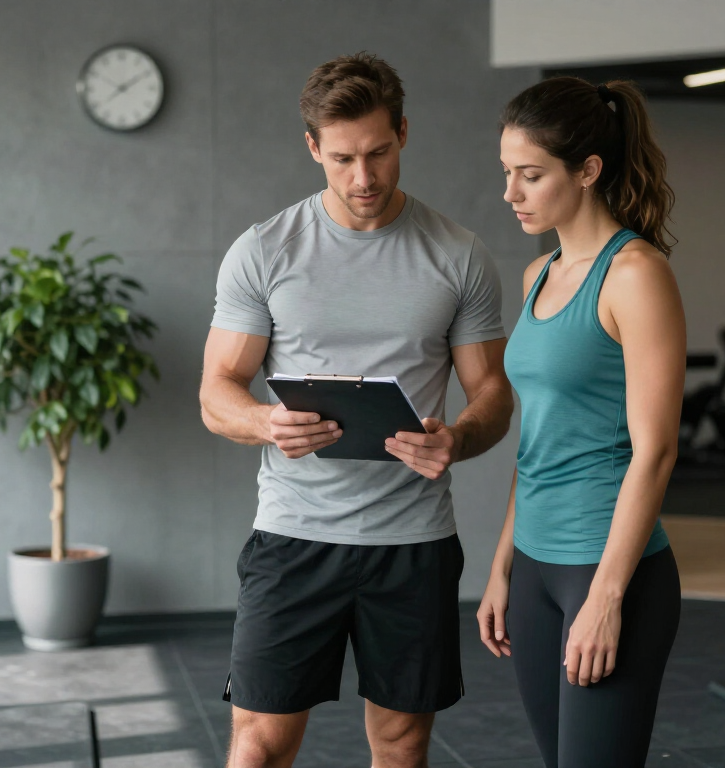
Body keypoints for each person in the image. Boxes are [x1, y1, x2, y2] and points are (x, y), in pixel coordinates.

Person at [199, 52, 514, 768]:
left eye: (378, 153)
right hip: (292, 537)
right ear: (313, 147)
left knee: (402, 743)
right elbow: (218, 387)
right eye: (342, 159)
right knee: (260, 743)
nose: (363, 178)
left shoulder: (458, 256)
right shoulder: (263, 252)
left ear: (404, 132)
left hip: (412, 543)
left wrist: (458, 438)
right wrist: (264, 423)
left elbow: (492, 391)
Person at [477, 76, 686, 767]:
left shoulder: (635, 274)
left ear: (588, 170)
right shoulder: (542, 273)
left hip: (607, 565)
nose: (511, 193)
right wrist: (504, 564)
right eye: (508, 173)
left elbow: (655, 452)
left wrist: (605, 597)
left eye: (530, 176)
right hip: (536, 565)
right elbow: (537, 435)